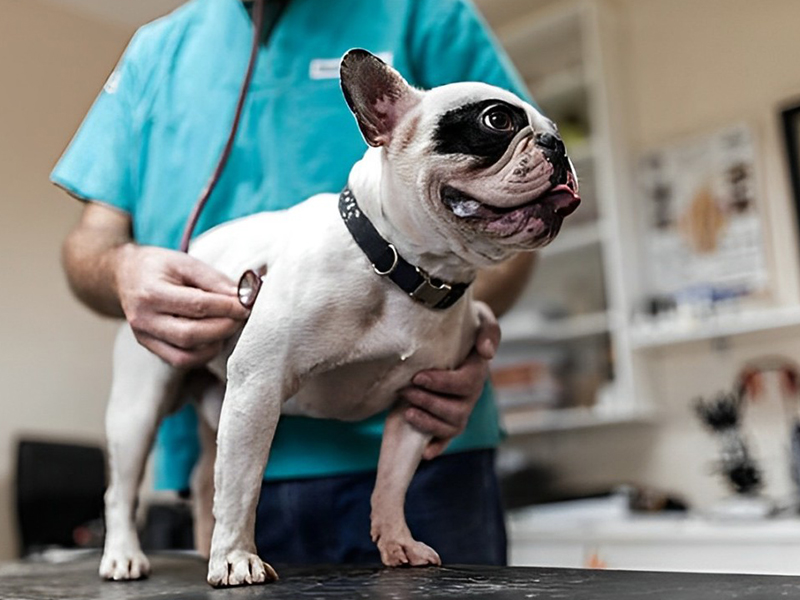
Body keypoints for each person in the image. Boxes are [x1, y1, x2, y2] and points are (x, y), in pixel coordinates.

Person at [53, 0, 535, 566]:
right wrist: (122, 270)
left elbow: (516, 195)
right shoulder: (154, 54)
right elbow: (90, 246)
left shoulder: (424, 14)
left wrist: (455, 332)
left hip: (427, 456)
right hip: (231, 462)